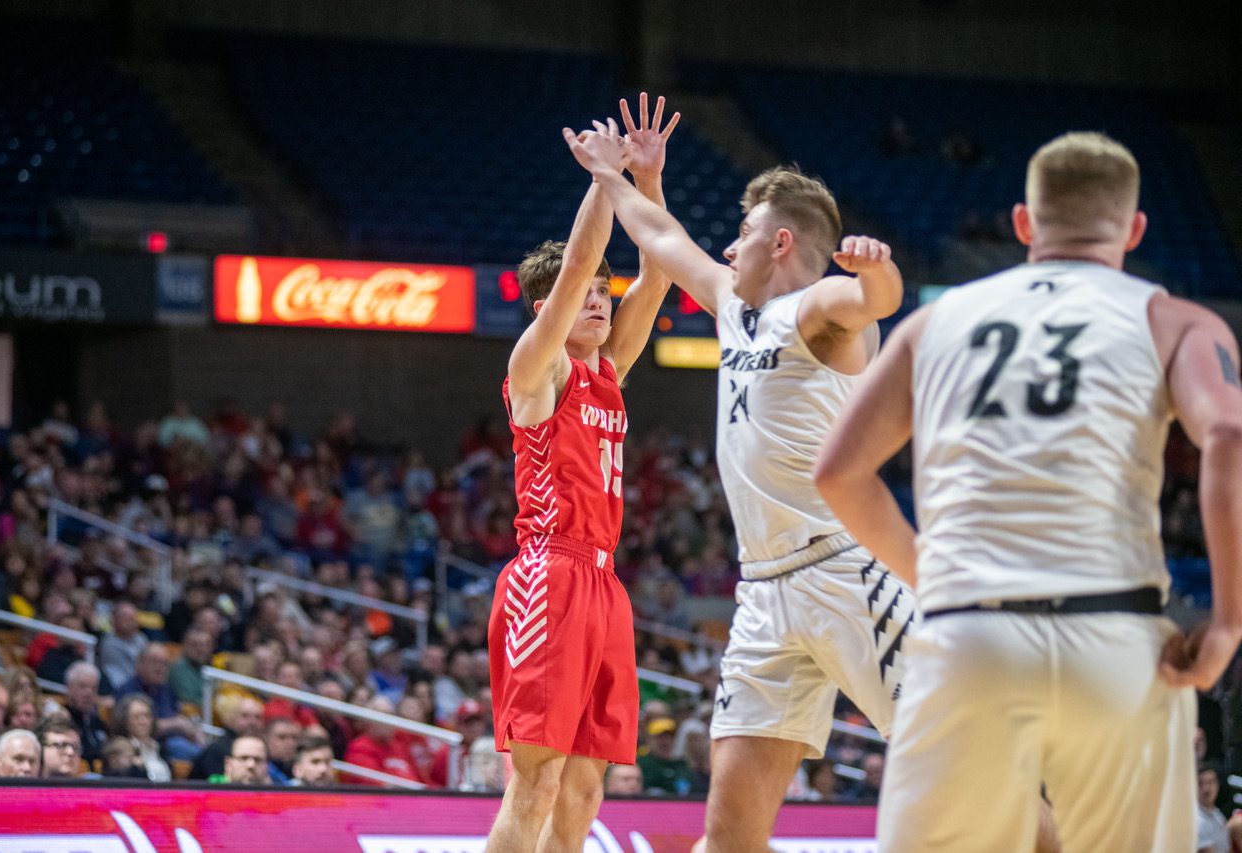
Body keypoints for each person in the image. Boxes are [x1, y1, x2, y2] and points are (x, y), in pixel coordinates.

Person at [814, 131, 1239, 851]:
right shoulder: (1175, 319)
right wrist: (1228, 621)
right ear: (1134, 230)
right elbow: (1228, 432)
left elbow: (837, 472)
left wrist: (931, 574)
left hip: (969, 636)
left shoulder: (935, 321)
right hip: (1116, 637)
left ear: (1022, 223)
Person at [566, 116, 907, 853]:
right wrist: (620, 177)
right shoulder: (733, 302)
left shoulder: (816, 309)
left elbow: (874, 301)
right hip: (763, 592)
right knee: (728, 836)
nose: (727, 246)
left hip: (843, 573)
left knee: (974, 784)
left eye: (743, 231)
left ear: (780, 242)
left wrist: (875, 269)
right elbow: (662, 237)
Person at [485, 92, 678, 853]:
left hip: (604, 581)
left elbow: (656, 278)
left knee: (586, 788)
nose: (598, 301)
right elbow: (571, 271)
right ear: (546, 310)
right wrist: (605, 179)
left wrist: (648, 182)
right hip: (549, 573)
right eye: (586, 296)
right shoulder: (539, 367)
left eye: (604, 293)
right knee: (537, 781)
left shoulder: (608, 371)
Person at [114, 692, 172, 782]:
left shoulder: (160, 747)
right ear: (125, 721)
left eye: (147, 716)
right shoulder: (119, 750)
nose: (143, 722)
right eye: (136, 717)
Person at [62, 661, 109, 765]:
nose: (89, 693)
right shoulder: (63, 719)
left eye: (94, 688)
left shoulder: (98, 720)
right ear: (69, 688)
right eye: (83, 687)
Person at [1199, 764, 1230, 853]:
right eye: (1200, 783)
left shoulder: (1218, 816)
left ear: (1217, 785)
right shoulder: (1195, 819)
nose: (1206, 789)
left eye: (1210, 782)